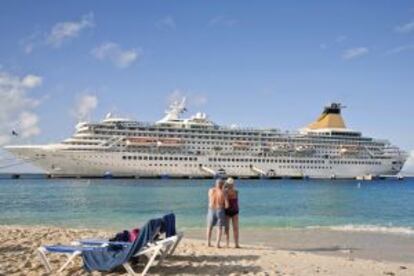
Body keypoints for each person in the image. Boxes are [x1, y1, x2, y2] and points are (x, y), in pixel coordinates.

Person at [206, 178, 226, 247]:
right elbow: (226, 204)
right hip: (219, 209)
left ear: (216, 184)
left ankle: (208, 242)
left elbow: (209, 199)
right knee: (219, 227)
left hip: (211, 209)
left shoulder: (210, 190)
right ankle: (217, 244)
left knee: (209, 227)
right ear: (222, 185)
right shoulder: (223, 192)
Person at [224, 177, 240, 248]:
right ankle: (236, 244)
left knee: (227, 228)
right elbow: (237, 201)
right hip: (235, 209)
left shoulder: (225, 191)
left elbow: (226, 203)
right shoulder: (236, 191)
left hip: (228, 210)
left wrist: (225, 185)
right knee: (235, 228)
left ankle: (227, 243)